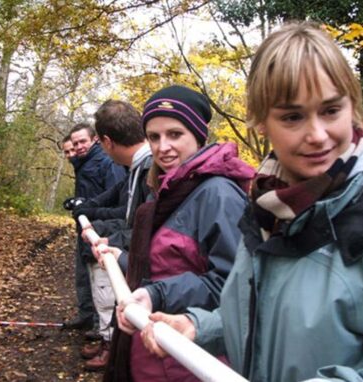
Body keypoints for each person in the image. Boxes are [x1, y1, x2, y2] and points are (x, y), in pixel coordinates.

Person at [142, 22, 363, 382]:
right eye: (292, 117)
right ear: (261, 124)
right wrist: (200, 326)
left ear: (352, 106)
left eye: (331, 110)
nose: (317, 135)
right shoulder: (266, 210)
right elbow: (262, 313)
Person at [104, 85, 256, 382]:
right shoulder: (165, 192)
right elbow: (165, 266)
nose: (163, 147)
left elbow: (232, 285)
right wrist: (123, 260)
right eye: (154, 137)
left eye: (175, 134)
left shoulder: (218, 195)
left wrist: (155, 294)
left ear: (198, 136)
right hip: (152, 355)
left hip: (189, 363)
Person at [71, 100, 153, 371]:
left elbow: (145, 223)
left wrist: (108, 235)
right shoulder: (134, 169)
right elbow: (117, 199)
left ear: (106, 141)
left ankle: (114, 349)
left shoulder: (150, 169)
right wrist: (85, 208)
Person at [63, 123, 127, 330]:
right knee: (84, 276)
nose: (79, 147)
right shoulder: (82, 163)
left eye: (83, 141)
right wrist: (78, 203)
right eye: (75, 143)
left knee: (103, 283)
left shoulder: (108, 163)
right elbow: (92, 194)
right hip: (86, 228)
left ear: (94, 140)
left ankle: (103, 333)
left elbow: (115, 198)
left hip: (103, 231)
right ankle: (88, 318)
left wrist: (93, 215)